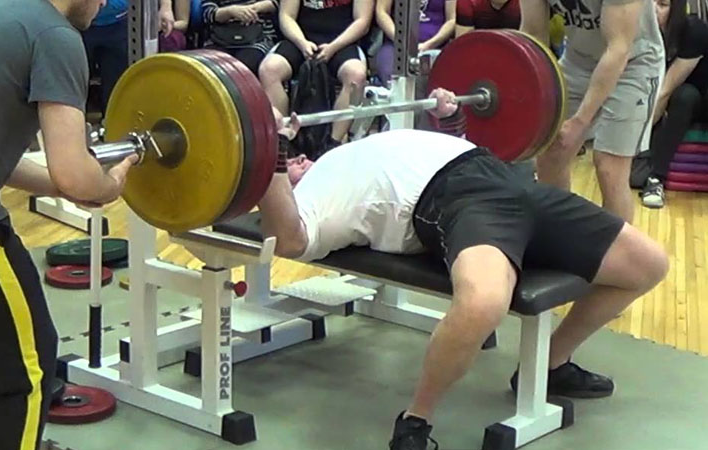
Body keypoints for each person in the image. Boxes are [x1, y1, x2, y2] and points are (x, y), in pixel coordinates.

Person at [263, 89, 669, 449]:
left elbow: (444, 147)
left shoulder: (342, 151)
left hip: (504, 175)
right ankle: (416, 419)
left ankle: (550, 365)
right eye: (290, 164)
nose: (298, 157)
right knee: (483, 304)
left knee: (648, 264)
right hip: (455, 199)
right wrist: (270, 154)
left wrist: (452, 118)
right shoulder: (316, 194)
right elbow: (290, 240)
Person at [0, 0, 138, 449]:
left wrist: (63, 186)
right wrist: (110, 183)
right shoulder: (55, 36)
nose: (105, 3)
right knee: (29, 371)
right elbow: (75, 172)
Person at [521, 0, 665, 223]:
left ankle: (614, 246)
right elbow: (533, 34)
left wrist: (579, 122)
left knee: (610, 168)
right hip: (578, 61)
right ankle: (556, 236)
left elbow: (618, 49)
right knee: (551, 153)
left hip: (633, 62)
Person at [640, 0, 708, 207]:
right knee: (684, 95)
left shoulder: (694, 31)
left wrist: (640, 139)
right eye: (651, 2)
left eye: (663, 5)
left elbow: (664, 91)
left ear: (676, 10)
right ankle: (656, 177)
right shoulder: (646, 34)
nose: (654, 10)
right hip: (689, 99)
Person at [258, 0, 373, 144]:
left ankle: (333, 143)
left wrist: (333, 47)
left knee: (356, 75)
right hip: (300, 40)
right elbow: (287, 16)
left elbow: (362, 22)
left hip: (342, 42)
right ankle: (283, 138)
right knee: (269, 69)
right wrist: (302, 43)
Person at [83, 0, 175, 114]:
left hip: (122, 21)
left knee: (116, 92)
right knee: (72, 86)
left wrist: (166, 7)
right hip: (78, 20)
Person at [374, 0, 456, 85]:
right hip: (396, 45)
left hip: (437, 46)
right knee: (393, 80)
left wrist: (429, 44)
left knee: (439, 83)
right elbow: (382, 12)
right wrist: (401, 40)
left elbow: (452, 19)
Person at [201, 0, 280, 74]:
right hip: (219, 39)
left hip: (258, 38)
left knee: (245, 66)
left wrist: (252, 9)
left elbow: (275, 3)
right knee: (209, 67)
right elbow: (207, 13)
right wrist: (230, 11)